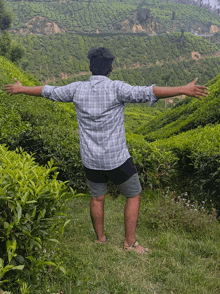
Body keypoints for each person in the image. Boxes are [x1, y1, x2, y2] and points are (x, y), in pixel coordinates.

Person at [4, 47, 209, 254]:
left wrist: (21, 89)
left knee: (96, 198)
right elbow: (148, 91)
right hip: (117, 158)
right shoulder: (117, 88)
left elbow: (48, 91)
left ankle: (100, 239)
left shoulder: (77, 89)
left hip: (90, 159)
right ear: (110, 68)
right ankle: (129, 243)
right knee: (134, 195)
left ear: (90, 67)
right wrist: (183, 89)